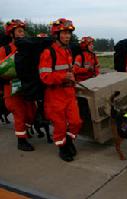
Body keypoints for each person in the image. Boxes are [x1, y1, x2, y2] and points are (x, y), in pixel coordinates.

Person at [39, 18, 82, 162]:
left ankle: (69, 141)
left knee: (76, 122)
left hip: (69, 93)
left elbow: (69, 70)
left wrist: (72, 77)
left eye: (69, 33)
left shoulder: (68, 50)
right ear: (56, 35)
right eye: (64, 33)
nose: (67, 36)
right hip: (55, 95)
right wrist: (63, 77)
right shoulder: (48, 53)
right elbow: (44, 77)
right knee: (60, 125)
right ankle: (62, 147)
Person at [0, 19, 37, 151]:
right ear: (11, 34)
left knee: (31, 113)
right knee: (19, 113)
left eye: (23, 31)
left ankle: (25, 130)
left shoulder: (28, 47)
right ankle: (21, 141)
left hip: (27, 87)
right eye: (19, 31)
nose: (22, 34)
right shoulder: (4, 50)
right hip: (11, 88)